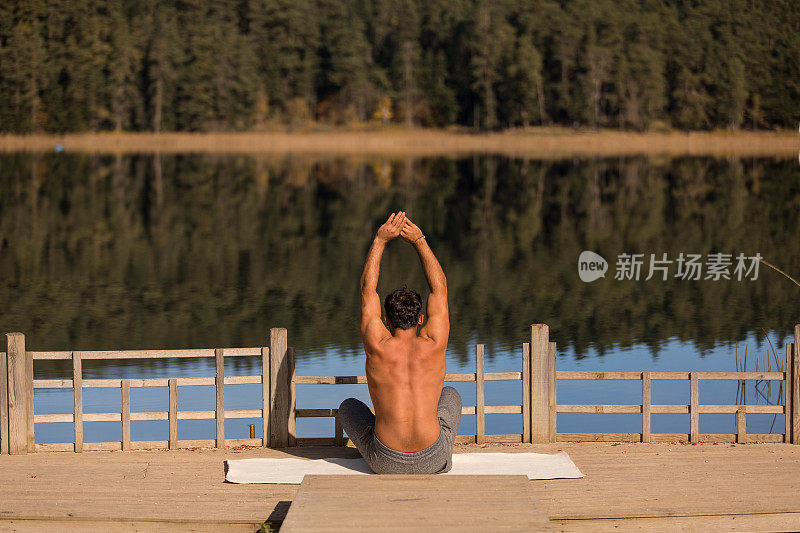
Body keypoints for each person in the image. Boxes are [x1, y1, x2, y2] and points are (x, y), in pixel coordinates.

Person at [336, 211, 462, 474]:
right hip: (433, 459)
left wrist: (380, 241)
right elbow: (440, 289)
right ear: (420, 319)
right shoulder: (434, 342)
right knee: (451, 395)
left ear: (385, 320)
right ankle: (438, 455)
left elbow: (367, 291)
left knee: (348, 406)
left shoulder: (378, 344)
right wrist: (419, 241)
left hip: (385, 462)